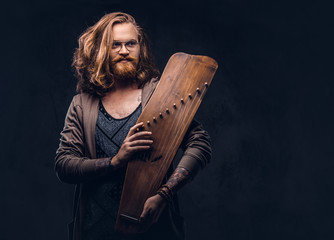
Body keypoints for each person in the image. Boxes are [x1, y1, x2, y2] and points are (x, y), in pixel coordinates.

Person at [55, 12, 212, 240]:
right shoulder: (82, 104)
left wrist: (165, 194)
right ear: (101, 50)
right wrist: (116, 161)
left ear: (140, 47)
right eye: (115, 45)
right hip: (94, 231)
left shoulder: (161, 95)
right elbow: (63, 164)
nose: (124, 51)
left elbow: (201, 143)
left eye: (131, 43)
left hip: (154, 230)